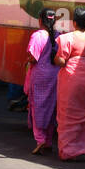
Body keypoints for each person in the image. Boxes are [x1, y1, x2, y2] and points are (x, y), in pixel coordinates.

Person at [53, 8, 85, 162]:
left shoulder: (67, 38)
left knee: (68, 115)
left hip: (72, 80)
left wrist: (55, 59)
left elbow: (61, 60)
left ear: (74, 22)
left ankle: (68, 150)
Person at [25, 8, 60, 155]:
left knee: (37, 108)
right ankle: (49, 141)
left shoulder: (37, 36)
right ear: (54, 21)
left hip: (39, 76)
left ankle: (41, 140)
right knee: (51, 108)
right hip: (54, 76)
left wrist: (27, 60)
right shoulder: (59, 36)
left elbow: (33, 58)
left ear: (40, 20)